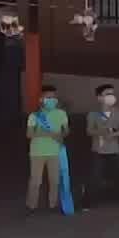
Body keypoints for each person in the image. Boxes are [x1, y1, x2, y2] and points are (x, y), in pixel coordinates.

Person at [84, 83, 119, 210]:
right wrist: (101, 132)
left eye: (112, 94)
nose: (111, 96)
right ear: (99, 98)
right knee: (95, 176)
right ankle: (87, 201)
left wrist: (114, 134)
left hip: (115, 149)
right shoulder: (93, 114)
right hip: (98, 150)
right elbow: (89, 131)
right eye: (107, 94)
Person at [26, 84, 71, 213]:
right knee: (36, 181)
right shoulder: (34, 116)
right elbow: (29, 134)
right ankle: (31, 205)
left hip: (55, 152)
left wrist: (61, 135)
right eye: (48, 98)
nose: (51, 100)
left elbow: (66, 131)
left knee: (55, 180)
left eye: (53, 98)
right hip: (37, 152)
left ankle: (53, 204)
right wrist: (48, 133)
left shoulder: (62, 114)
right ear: (41, 100)